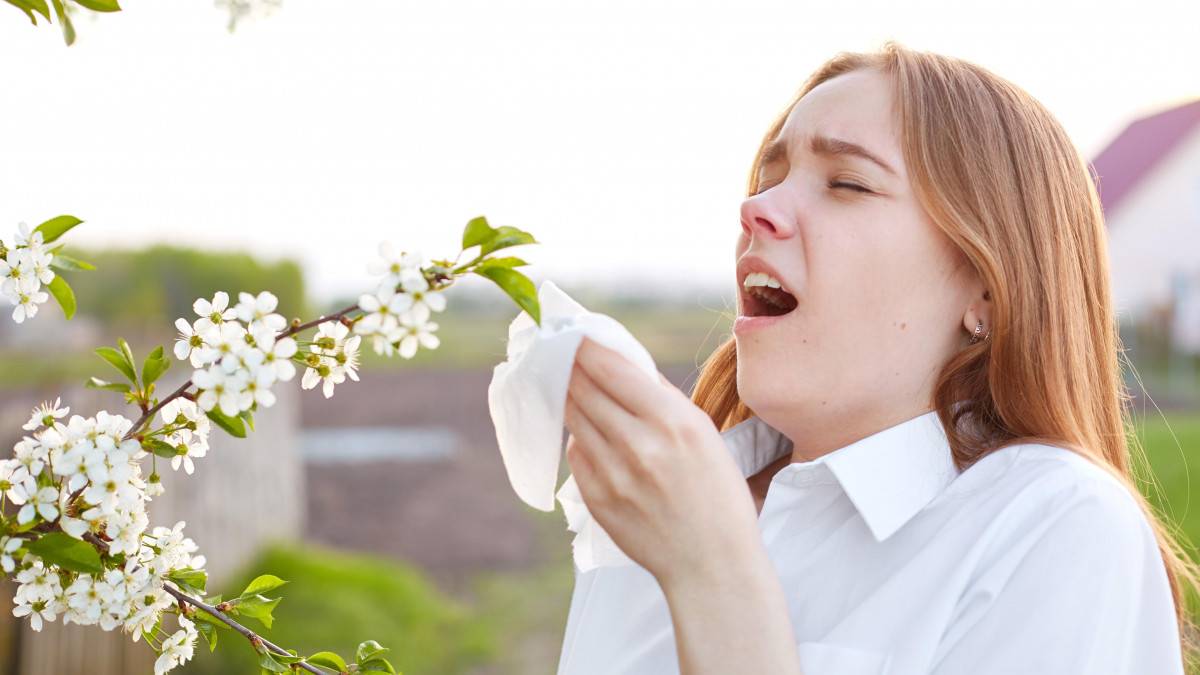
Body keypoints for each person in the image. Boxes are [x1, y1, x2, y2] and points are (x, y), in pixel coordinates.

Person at [557, 41, 1199, 674]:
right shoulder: (654, 508)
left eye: (847, 183)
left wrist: (711, 573)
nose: (756, 210)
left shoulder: (1054, 525)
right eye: (769, 180)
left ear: (986, 286)